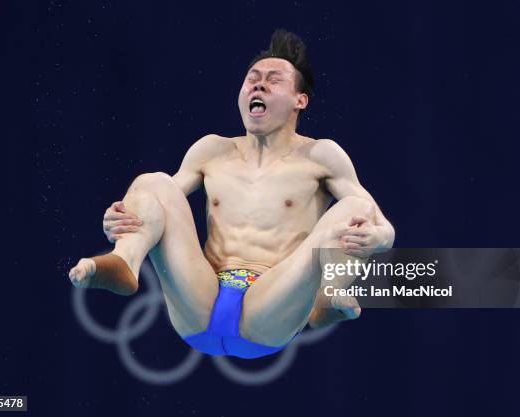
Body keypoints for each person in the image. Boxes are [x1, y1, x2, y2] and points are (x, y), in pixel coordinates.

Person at [68, 29, 395, 359]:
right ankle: (125, 260)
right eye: (252, 79)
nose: (259, 85)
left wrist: (380, 239)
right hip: (200, 297)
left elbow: (380, 223)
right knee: (153, 182)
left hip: (270, 305)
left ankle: (330, 295)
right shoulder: (211, 150)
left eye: (273, 80)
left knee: (354, 207)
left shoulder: (321, 156)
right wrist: (122, 220)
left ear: (300, 100)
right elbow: (154, 206)